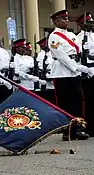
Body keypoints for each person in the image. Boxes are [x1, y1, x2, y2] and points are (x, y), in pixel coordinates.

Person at [48, 9, 94, 141]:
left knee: (78, 101)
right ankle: (68, 130)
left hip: (75, 71)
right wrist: (79, 68)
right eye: (63, 19)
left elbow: (80, 51)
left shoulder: (71, 35)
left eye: (67, 18)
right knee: (66, 103)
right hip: (63, 72)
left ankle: (77, 128)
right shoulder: (54, 36)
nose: (66, 21)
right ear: (56, 21)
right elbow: (62, 57)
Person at [76, 12, 94, 137]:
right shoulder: (77, 38)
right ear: (81, 24)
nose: (92, 24)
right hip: (86, 72)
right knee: (88, 100)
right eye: (89, 22)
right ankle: (90, 127)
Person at [36, 38, 55, 104]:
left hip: (54, 77)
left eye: (45, 45)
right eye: (42, 46)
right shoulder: (40, 55)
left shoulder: (53, 53)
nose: (44, 47)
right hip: (45, 81)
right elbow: (39, 67)